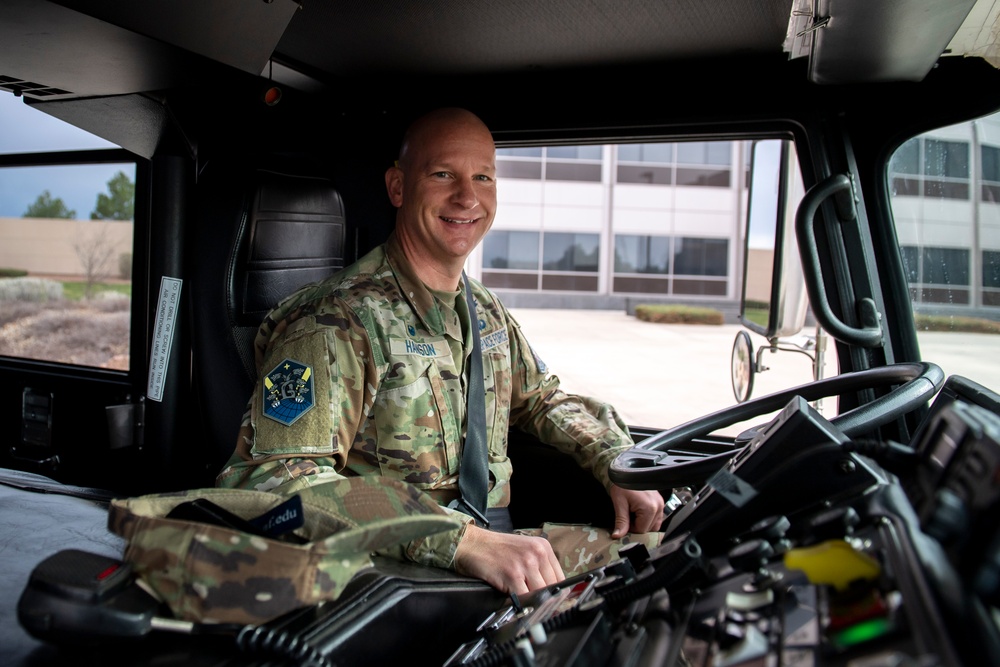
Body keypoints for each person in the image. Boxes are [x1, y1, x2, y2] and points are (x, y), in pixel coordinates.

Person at [217, 107, 665, 595]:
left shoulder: (484, 310)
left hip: (493, 543)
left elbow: (540, 399)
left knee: (662, 561)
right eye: (443, 174)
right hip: (406, 574)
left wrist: (616, 458)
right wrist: (455, 539)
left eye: (483, 177)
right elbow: (270, 483)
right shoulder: (338, 322)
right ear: (398, 187)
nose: (468, 197)